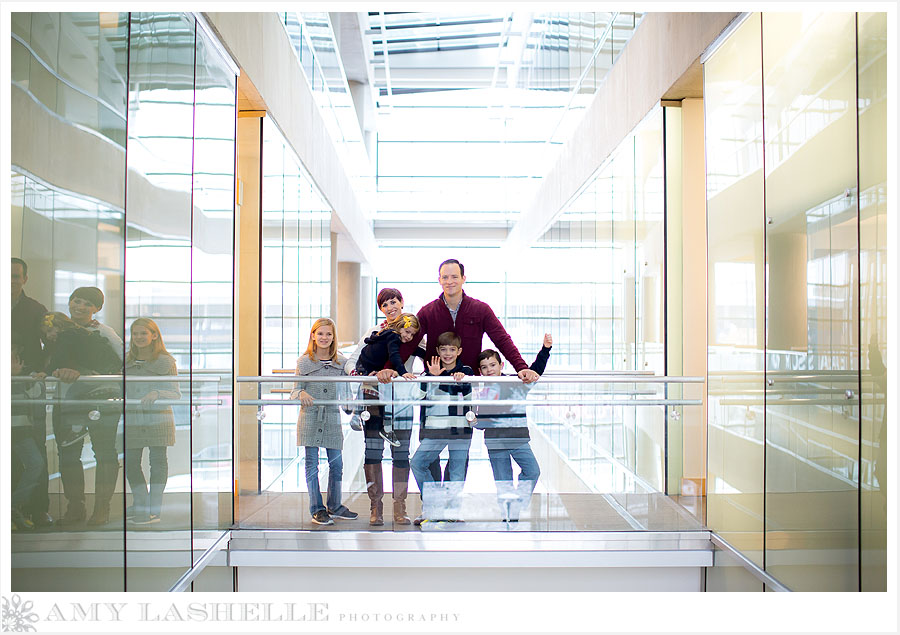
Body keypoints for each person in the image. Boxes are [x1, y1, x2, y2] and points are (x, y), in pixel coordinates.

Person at [44, 286, 124, 527]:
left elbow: (124, 359)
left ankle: (102, 508)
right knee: (68, 453)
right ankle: (75, 507)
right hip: (68, 400)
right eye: (76, 301)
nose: (79, 307)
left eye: (86, 304)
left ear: (97, 309)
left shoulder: (104, 332)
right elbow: (48, 363)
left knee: (105, 452)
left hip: (102, 400)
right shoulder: (58, 331)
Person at [345, 288, 423, 526]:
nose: (390, 308)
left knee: (401, 454)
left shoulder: (413, 332)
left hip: (402, 402)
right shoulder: (374, 332)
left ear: (401, 303)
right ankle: (375, 507)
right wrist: (361, 374)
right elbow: (352, 361)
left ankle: (399, 508)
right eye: (385, 305)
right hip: (373, 399)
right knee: (373, 452)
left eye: (394, 302)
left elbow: (428, 359)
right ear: (381, 309)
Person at [400, 259, 539, 384]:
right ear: (439, 280)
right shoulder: (428, 312)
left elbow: (502, 340)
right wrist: (392, 368)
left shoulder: (480, 309)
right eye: (445, 277)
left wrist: (521, 367)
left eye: (454, 277)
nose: (449, 281)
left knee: (469, 414)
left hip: (469, 382)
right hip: (435, 383)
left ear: (463, 278)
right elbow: (409, 341)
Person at [474, 334, 552, 522]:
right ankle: (509, 517)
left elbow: (535, 372)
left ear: (501, 366)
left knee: (532, 471)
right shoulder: (482, 391)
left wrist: (545, 350)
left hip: (518, 439)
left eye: (492, 365)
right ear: (480, 371)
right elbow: (482, 424)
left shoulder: (516, 382)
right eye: (484, 367)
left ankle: (517, 505)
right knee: (504, 482)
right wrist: (473, 422)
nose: (489, 370)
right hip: (495, 442)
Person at [291, 318, 359, 526]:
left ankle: (335, 505)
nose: (324, 338)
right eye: (320, 333)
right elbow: (295, 390)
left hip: (331, 417)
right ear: (313, 335)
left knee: (336, 464)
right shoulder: (303, 362)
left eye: (328, 334)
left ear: (333, 337)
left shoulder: (341, 362)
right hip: (310, 418)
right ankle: (317, 508)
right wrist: (301, 392)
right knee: (312, 465)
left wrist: (350, 405)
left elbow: (347, 396)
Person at [409, 331, 475, 525]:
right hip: (434, 429)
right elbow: (416, 397)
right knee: (418, 463)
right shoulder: (428, 372)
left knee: (456, 471)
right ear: (437, 350)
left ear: (459, 351)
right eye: (444, 349)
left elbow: (472, 400)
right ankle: (433, 506)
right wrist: (433, 377)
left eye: (452, 350)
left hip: (460, 430)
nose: (448, 354)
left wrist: (461, 380)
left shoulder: (467, 371)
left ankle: (452, 511)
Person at [124, 319, 180, 525]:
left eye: (143, 333)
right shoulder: (126, 361)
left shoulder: (166, 361)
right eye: (135, 334)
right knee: (131, 463)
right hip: (133, 418)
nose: (138, 337)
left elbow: (176, 393)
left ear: (154, 335)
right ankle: (141, 503)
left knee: (157, 463)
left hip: (158, 418)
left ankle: (154, 508)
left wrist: (157, 392)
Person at [10, 258, 53, 527]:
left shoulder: (36, 309)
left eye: (16, 276)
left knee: (36, 447)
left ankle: (37, 509)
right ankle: (15, 510)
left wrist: (41, 370)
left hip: (29, 388)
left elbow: (51, 342)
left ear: (25, 279)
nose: (11, 281)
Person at [354, 312, 420, 448]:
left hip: (368, 363)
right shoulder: (393, 337)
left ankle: (381, 425)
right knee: (378, 387)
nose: (409, 337)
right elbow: (395, 356)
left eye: (412, 334)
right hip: (366, 364)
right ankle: (379, 423)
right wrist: (403, 372)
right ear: (399, 327)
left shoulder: (390, 334)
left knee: (381, 387)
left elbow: (414, 350)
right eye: (407, 332)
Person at [10, 340, 46, 531]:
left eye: (15, 353)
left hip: (21, 429)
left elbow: (35, 394)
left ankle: (13, 507)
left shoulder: (24, 372)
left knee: (36, 463)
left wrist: (31, 378)